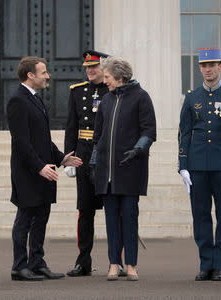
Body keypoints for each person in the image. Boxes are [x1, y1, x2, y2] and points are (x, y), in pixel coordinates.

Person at [7, 56, 82, 281]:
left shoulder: (36, 99)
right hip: (28, 173)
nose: (48, 76)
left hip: (44, 169)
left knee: (41, 218)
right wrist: (39, 167)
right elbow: (21, 141)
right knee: (25, 219)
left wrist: (61, 159)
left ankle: (37, 263)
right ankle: (19, 266)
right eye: (43, 72)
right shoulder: (17, 100)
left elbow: (42, 139)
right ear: (30, 75)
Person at [178, 48, 221, 281]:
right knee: (201, 215)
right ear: (199, 68)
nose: (208, 69)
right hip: (197, 165)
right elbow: (184, 133)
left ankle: (220, 265)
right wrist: (183, 165)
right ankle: (206, 263)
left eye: (212, 65)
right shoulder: (192, 96)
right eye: (204, 66)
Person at [91, 56, 156, 281]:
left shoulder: (141, 97)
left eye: (107, 76)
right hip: (106, 173)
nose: (104, 80)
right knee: (111, 220)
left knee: (129, 218)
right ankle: (113, 263)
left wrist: (138, 149)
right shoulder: (106, 100)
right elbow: (97, 135)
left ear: (119, 77)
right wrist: (93, 162)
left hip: (130, 169)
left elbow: (149, 131)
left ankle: (131, 265)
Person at [64, 50, 117, 277]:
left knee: (114, 211)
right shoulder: (77, 92)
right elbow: (71, 125)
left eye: (94, 67)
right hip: (84, 155)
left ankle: (118, 261)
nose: (90, 70)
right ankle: (83, 261)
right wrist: (68, 157)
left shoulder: (112, 89)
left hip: (107, 153)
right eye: (88, 67)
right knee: (85, 211)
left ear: (103, 68)